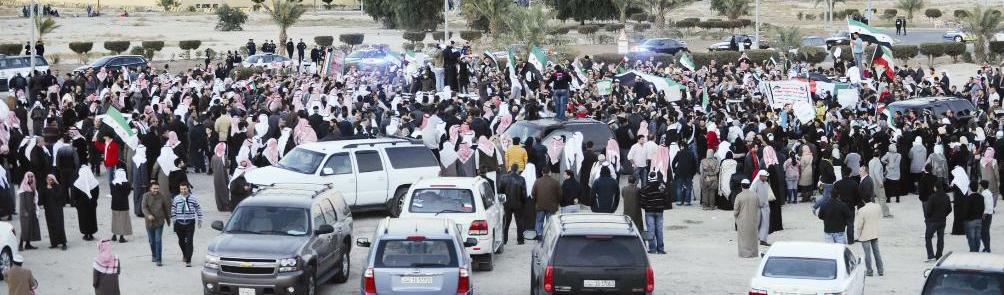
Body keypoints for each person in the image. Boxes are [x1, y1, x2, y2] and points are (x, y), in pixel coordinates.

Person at [170, 182, 202, 267]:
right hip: (179, 223)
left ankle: (188, 259)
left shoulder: (193, 198)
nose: (183, 191)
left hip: (190, 222)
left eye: (185, 189)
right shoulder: (176, 198)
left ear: (188, 188)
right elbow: (173, 210)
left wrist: (200, 220)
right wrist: (174, 221)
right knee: (181, 241)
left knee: (189, 241)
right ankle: (184, 254)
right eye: (181, 189)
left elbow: (198, 208)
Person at [854, 193, 884, 276]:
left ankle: (869, 271)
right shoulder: (877, 206)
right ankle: (880, 270)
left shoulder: (862, 210)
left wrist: (858, 235)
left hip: (865, 234)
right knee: (877, 252)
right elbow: (879, 216)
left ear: (863, 200)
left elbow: (860, 225)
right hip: (875, 232)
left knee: (867, 254)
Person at [141, 182, 171, 266]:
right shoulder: (146, 196)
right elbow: (144, 207)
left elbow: (166, 209)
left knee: (158, 240)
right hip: (149, 222)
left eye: (157, 188)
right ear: (150, 188)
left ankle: (159, 259)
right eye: (154, 188)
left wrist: (168, 221)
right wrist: (148, 215)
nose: (156, 190)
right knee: (152, 241)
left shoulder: (162, 197)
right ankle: (154, 254)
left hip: (160, 222)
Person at [640, 172, 669, 254]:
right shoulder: (662, 187)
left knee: (650, 230)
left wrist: (646, 207)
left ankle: (652, 249)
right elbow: (666, 199)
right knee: (659, 230)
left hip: (649, 212)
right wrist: (662, 206)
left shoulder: (645, 188)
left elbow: (642, 202)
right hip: (659, 211)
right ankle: (661, 249)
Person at [499, 164, 527, 244]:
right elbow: (524, 193)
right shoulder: (521, 179)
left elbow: (499, 191)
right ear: (517, 170)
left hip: (506, 204)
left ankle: (504, 239)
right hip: (518, 204)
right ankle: (520, 240)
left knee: (506, 223)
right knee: (519, 222)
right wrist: (524, 203)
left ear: (510, 169)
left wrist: (502, 202)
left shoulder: (504, 178)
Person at [925, 183, 952, 261]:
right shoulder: (946, 197)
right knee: (940, 238)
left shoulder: (932, 197)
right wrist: (944, 215)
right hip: (942, 220)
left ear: (935, 188)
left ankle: (931, 255)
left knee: (928, 237)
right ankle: (939, 255)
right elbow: (949, 209)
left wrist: (928, 217)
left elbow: (928, 210)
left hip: (933, 220)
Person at [40, 174, 67, 250]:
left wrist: (51, 189)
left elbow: (57, 196)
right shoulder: (45, 188)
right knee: (51, 226)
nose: (50, 181)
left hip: (57, 209)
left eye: (51, 179)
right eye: (48, 179)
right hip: (48, 210)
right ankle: (54, 242)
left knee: (59, 225)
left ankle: (63, 243)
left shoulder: (58, 187)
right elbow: (42, 199)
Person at [74, 165, 100, 241]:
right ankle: (91, 234)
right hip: (92, 204)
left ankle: (85, 234)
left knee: (83, 218)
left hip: (81, 205)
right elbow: (96, 194)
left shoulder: (78, 183)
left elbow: (75, 196)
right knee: (92, 218)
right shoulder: (94, 182)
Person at [734, 179, 759, 258]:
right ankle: (753, 253)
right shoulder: (755, 195)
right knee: (753, 238)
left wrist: (736, 218)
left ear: (741, 185)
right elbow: (758, 206)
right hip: (753, 220)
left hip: (742, 220)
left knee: (743, 238)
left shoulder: (739, 196)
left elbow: (736, 210)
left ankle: (744, 254)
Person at [16, 172, 41, 250]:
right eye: (28, 177)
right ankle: (20, 245)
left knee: (31, 227)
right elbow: (22, 202)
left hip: (32, 210)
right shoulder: (23, 188)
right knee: (25, 228)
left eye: (31, 177)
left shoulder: (33, 186)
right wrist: (24, 211)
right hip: (25, 212)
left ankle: (28, 244)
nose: (30, 178)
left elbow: (34, 199)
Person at [751, 170, 774, 246]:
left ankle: (763, 240)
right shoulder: (755, 184)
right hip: (757, 207)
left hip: (765, 207)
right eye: (765, 176)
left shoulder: (767, 184)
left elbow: (769, 195)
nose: (766, 178)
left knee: (765, 224)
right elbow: (752, 195)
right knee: (756, 223)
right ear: (760, 176)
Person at [109, 167, 132, 243]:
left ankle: (114, 235)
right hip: (124, 205)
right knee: (123, 221)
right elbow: (128, 193)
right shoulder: (127, 184)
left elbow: (112, 193)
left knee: (115, 220)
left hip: (114, 205)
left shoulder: (112, 183)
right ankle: (121, 237)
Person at [964, 182, 985, 252]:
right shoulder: (981, 197)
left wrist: (965, 218)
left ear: (970, 188)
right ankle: (977, 250)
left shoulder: (968, 198)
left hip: (970, 220)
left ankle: (973, 251)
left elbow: (966, 210)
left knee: (971, 238)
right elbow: (983, 208)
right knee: (977, 237)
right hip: (979, 219)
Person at [210, 143, 230, 211]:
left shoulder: (213, 157)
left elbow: (212, 166)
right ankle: (226, 205)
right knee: (225, 190)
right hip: (223, 176)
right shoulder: (224, 157)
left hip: (216, 177)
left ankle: (219, 206)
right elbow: (227, 165)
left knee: (217, 191)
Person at [980, 180, 995, 252]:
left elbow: (986, 204)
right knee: (986, 231)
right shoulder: (989, 192)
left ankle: (987, 247)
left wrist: (984, 213)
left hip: (986, 215)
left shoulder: (984, 194)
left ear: (982, 186)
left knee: (984, 232)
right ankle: (986, 246)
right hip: (990, 214)